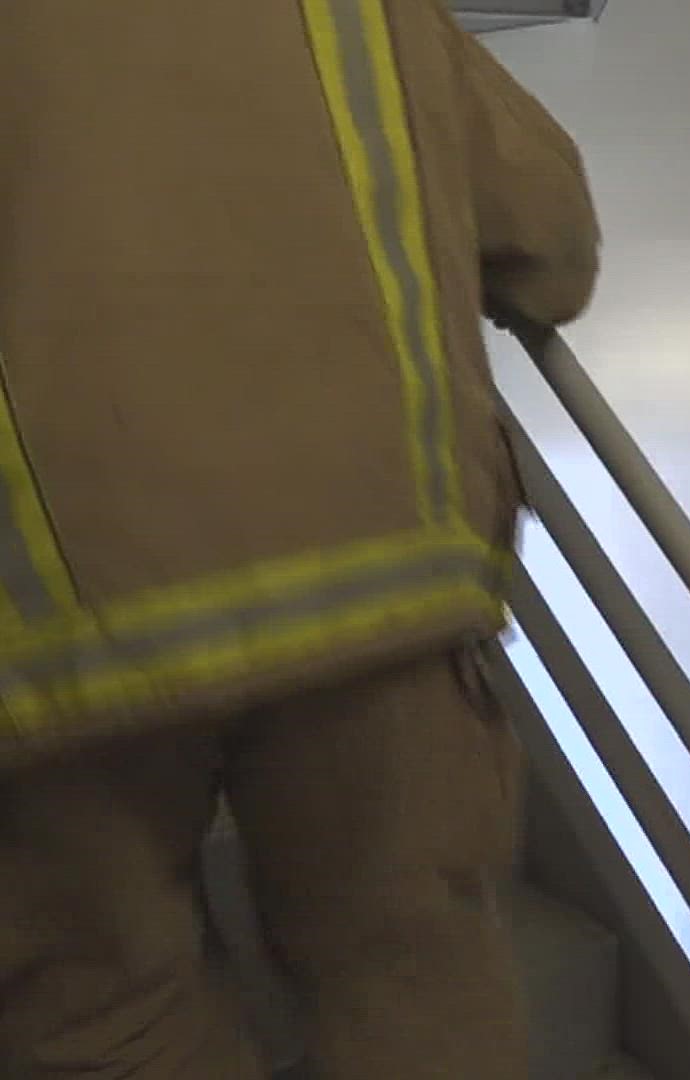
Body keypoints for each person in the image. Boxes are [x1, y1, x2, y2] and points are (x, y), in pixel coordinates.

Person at [0, 2, 599, 1077]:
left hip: (54, 632)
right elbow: (549, 242)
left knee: (105, 1010)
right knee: (417, 977)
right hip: (381, 574)